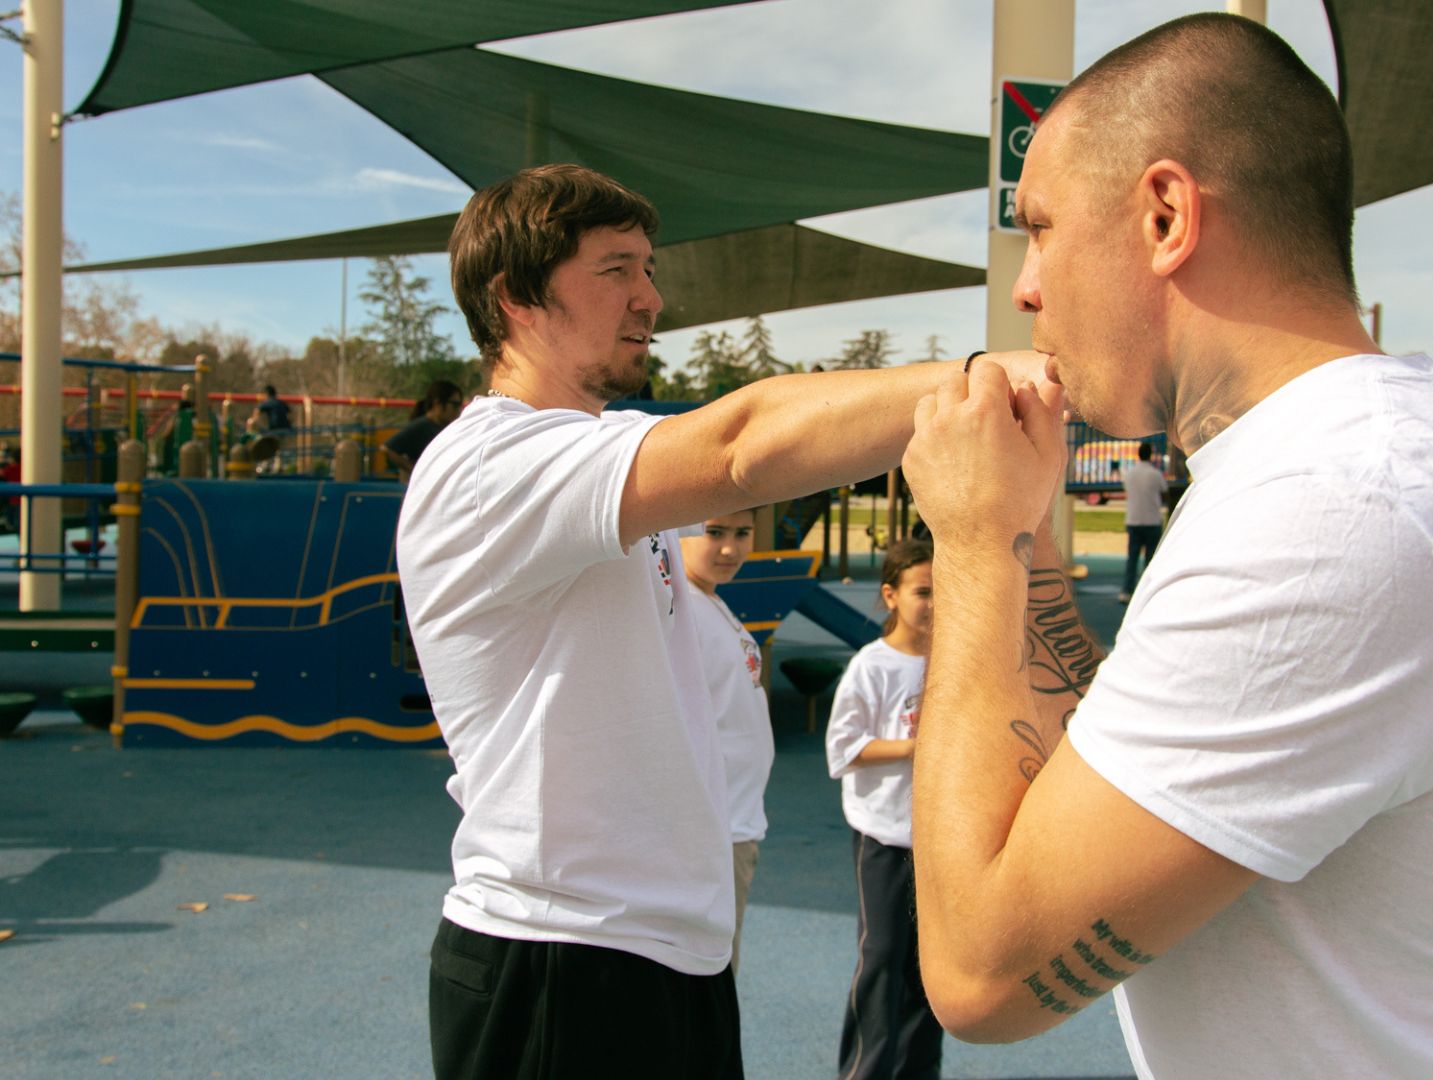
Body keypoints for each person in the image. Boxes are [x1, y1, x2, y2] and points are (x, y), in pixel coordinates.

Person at [896, 14, 1433, 1077]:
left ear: (1166, 214)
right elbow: (1119, 769)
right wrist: (1024, 546)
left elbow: (984, 977)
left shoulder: (1335, 507)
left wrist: (968, 543)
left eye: (1041, 227)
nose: (1027, 287)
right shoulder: (1332, 460)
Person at [394, 163, 1047, 1080]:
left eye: (648, 270)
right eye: (616, 269)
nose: (650, 298)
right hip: (560, 953)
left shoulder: (597, 480)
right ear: (515, 296)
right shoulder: (492, 462)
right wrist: (1002, 378)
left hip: (660, 948)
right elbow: (743, 442)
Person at [823, 539, 942, 1080]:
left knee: (931, 970)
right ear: (891, 595)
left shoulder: (955, 660)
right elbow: (843, 749)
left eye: (944, 591)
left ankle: (917, 1071)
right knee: (882, 958)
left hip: (941, 842)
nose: (935, 603)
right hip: (886, 837)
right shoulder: (872, 667)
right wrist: (917, 747)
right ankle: (864, 1072)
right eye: (923, 592)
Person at [678, 509, 774, 973]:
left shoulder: (710, 601)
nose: (730, 549)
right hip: (713, 829)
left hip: (734, 819)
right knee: (709, 975)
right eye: (713, 532)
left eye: (742, 533)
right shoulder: (683, 610)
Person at [384, 380, 466, 482]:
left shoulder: (449, 428)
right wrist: (415, 471)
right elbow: (389, 448)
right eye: (455, 404)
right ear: (438, 403)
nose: (458, 410)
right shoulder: (421, 426)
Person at [1117, 439, 1166, 602]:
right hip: (1151, 520)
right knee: (1150, 560)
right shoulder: (1155, 474)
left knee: (1132, 558)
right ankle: (1147, 594)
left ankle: (1126, 590)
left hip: (1134, 520)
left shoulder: (1130, 474)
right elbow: (1164, 489)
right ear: (1150, 456)